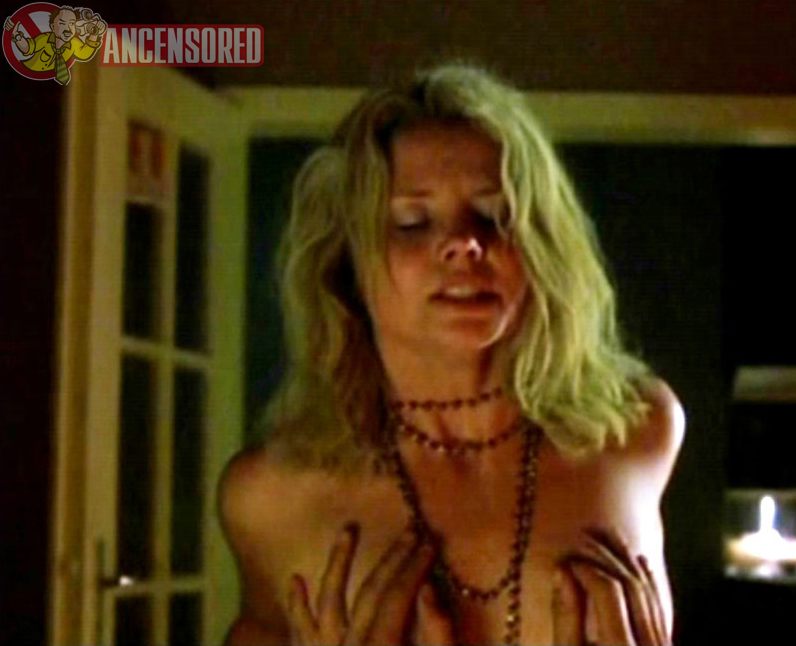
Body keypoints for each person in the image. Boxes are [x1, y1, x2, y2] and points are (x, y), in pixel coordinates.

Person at [219, 62, 684, 646]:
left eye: (496, 215)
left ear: (542, 244)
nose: (466, 243)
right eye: (412, 222)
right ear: (346, 261)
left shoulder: (636, 430)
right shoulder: (271, 498)